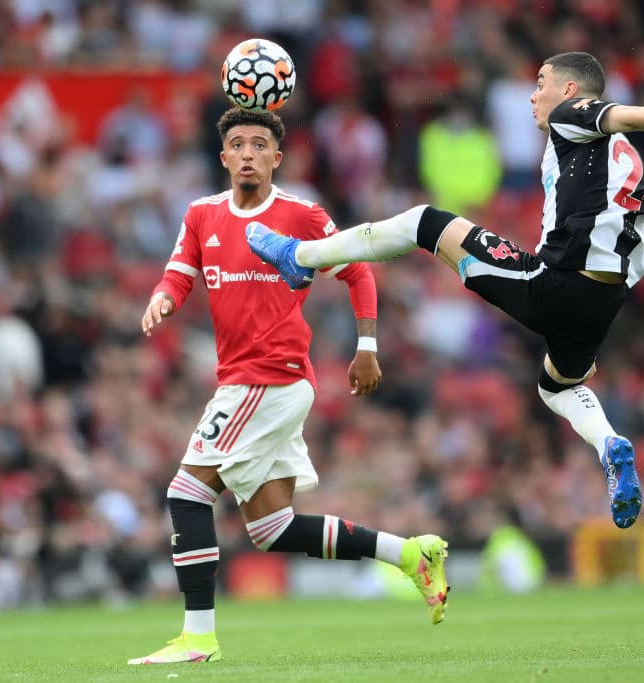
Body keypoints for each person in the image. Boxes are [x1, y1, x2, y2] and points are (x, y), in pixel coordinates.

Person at [247, 52, 644, 530]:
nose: (533, 96)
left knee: (425, 222)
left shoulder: (573, 117)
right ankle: (611, 446)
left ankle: (299, 256)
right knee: (555, 386)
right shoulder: (625, 162)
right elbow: (637, 254)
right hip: (604, 299)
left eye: (540, 84)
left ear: (572, 90)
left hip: (555, 283)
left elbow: (619, 113)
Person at [129, 108, 449, 666]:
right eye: (237, 144)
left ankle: (198, 639)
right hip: (251, 380)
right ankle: (410, 553)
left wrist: (367, 345)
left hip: (268, 376)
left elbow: (357, 270)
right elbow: (180, 271)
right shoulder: (202, 214)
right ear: (224, 156)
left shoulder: (301, 214)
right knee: (272, 529)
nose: (248, 152)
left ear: (277, 158)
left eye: (259, 144)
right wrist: (163, 298)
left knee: (186, 495)